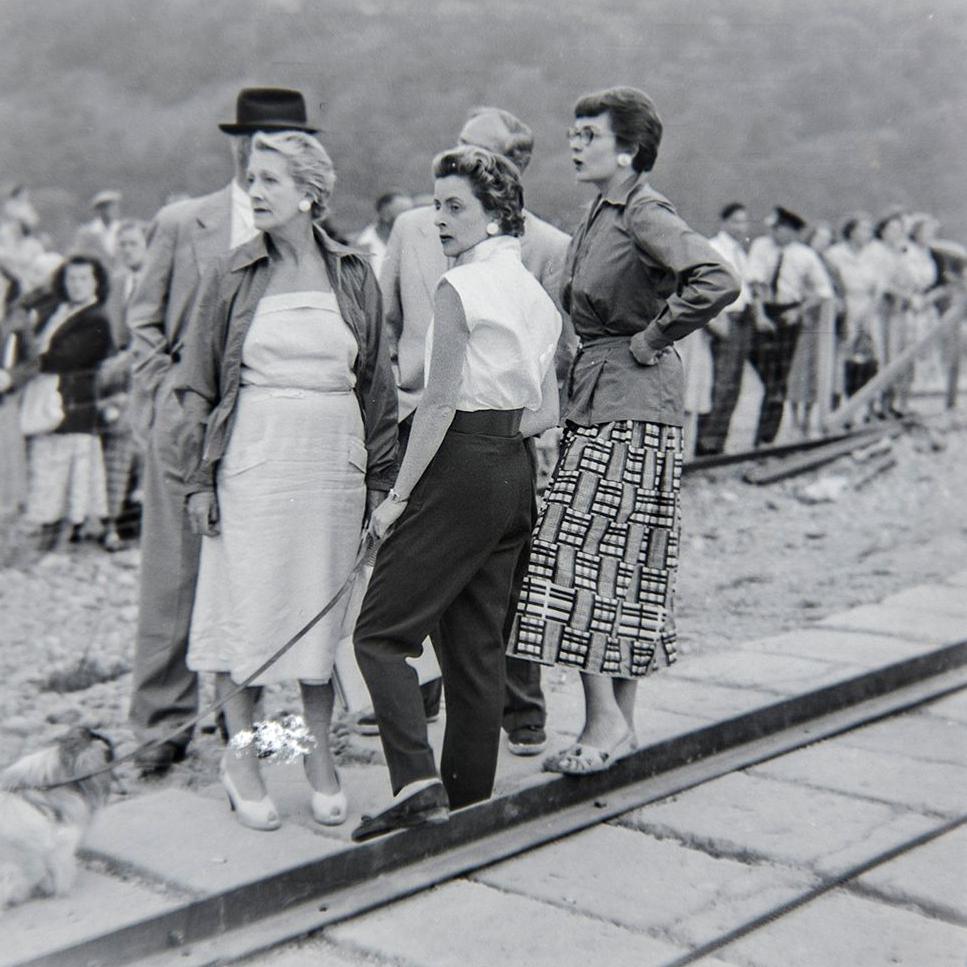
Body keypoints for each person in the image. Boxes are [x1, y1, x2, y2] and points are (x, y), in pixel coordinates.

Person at [508, 86, 738, 776]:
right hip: (603, 398)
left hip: (631, 398)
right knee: (621, 557)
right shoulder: (600, 213)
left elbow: (715, 278)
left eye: (589, 133)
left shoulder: (643, 210)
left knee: (580, 554)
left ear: (628, 149)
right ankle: (618, 724)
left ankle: (604, 719)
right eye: (573, 131)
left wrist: (653, 336)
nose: (575, 142)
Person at [173, 131, 397, 831]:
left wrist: (378, 484)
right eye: (253, 179)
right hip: (251, 466)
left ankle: (312, 758)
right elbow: (195, 386)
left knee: (315, 626)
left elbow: (377, 388)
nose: (257, 191)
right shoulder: (233, 273)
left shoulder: (353, 272)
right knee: (242, 618)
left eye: (270, 179)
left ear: (309, 192)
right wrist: (197, 481)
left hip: (331, 470)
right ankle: (242, 760)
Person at [352, 145, 562, 840]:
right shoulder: (530, 292)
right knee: (475, 645)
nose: (437, 220)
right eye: (435, 204)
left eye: (454, 207)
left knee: (380, 634)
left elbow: (437, 404)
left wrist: (395, 499)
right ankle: (468, 798)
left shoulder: (459, 288)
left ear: (496, 212)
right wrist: (500, 441)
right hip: (513, 467)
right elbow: (548, 408)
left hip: (459, 458)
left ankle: (414, 782)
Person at [127, 87, 319, 777]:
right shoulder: (186, 222)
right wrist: (164, 396)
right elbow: (143, 318)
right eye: (255, 140)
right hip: (189, 421)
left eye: (280, 143)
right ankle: (160, 721)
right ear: (236, 146)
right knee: (174, 574)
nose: (263, 153)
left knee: (262, 573)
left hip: (269, 427)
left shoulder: (310, 232)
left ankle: (243, 717)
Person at [376, 104, 577, 757]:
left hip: (469, 442)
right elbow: (386, 317)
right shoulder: (422, 230)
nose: (439, 217)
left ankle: (457, 753)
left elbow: (454, 396)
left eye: (486, 154)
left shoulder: (516, 258)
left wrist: (487, 431)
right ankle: (455, 764)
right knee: (453, 616)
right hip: (463, 435)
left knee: (424, 619)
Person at [20, 255, 114, 551]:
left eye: (84, 278)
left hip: (74, 401)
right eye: (71, 279)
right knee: (48, 467)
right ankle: (47, 534)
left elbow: (66, 357)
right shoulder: (59, 311)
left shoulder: (96, 318)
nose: (76, 285)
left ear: (96, 282)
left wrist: (25, 364)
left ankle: (65, 537)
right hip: (53, 398)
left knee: (69, 470)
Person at [746, 206, 833, 445]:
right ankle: (770, 402)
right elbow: (755, 282)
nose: (775, 233)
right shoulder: (761, 246)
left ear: (791, 232)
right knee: (762, 364)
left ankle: (765, 438)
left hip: (788, 313)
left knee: (780, 378)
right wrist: (760, 315)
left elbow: (823, 290)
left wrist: (798, 311)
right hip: (763, 310)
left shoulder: (804, 255)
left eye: (780, 230)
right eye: (773, 228)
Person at [97, 219, 148, 550]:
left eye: (133, 243)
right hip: (119, 371)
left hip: (147, 370)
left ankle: (132, 520)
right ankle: (112, 519)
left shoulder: (159, 282)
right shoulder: (116, 283)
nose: (127, 250)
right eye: (122, 244)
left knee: (140, 442)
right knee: (115, 438)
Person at [694, 202, 753, 456]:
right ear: (725, 222)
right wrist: (715, 321)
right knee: (721, 380)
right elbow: (705, 286)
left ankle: (719, 441)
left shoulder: (740, 252)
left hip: (743, 318)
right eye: (736, 221)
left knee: (734, 384)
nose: (741, 227)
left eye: (744, 222)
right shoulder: (714, 248)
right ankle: (707, 442)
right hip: (724, 317)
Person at [786, 221, 837, 436]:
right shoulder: (801, 260)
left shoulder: (831, 266)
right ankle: (795, 417)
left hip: (823, 324)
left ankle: (809, 416)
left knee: (817, 369)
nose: (822, 244)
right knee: (798, 369)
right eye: (819, 239)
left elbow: (835, 291)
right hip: (803, 320)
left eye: (827, 240)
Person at [825, 213, 881, 401]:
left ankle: (866, 402)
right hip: (845, 304)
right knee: (842, 355)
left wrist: (870, 312)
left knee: (869, 354)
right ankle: (838, 399)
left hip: (868, 307)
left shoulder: (875, 254)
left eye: (869, 230)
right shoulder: (835, 254)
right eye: (863, 229)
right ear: (851, 231)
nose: (867, 234)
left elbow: (878, 287)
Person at [354, 189, 413, 277]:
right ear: (385, 214)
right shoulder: (358, 245)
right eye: (404, 215)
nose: (410, 220)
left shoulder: (411, 245)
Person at [73, 191, 123, 268]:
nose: (115, 210)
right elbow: (79, 255)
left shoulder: (123, 230)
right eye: (110, 207)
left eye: (116, 206)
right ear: (100, 210)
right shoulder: (87, 232)